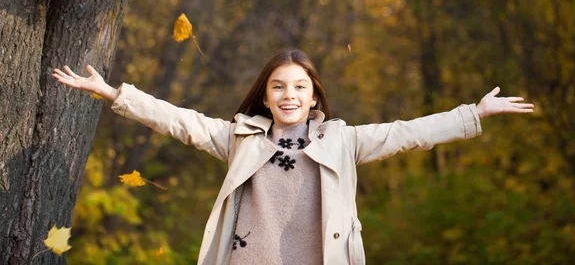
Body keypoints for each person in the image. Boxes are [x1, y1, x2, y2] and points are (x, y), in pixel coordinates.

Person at [52, 49, 534, 265]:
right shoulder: (239, 139)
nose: (288, 95)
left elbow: (407, 134)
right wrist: (113, 93)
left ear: (313, 96)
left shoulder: (343, 142)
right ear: (265, 97)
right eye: (278, 86)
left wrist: (475, 112)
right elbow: (180, 120)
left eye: (299, 87)